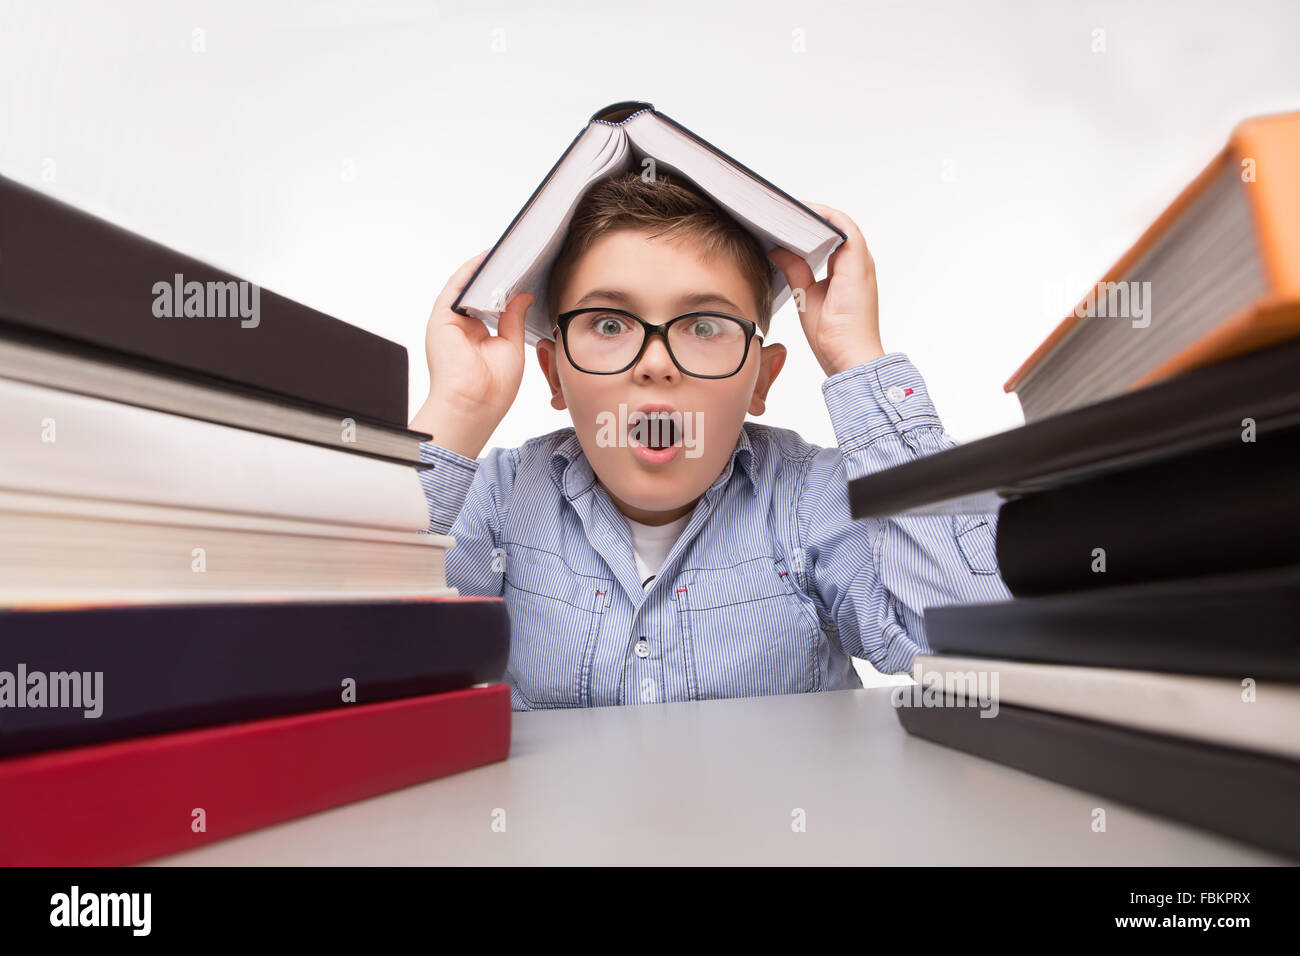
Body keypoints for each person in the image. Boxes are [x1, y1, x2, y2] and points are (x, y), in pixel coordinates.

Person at [410, 172, 1009, 710]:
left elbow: (984, 657)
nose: (655, 364)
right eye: (610, 324)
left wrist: (857, 358)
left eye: (703, 326)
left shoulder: (809, 499)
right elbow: (362, 668)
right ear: (554, 374)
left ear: (761, 381)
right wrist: (457, 412)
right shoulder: (500, 499)